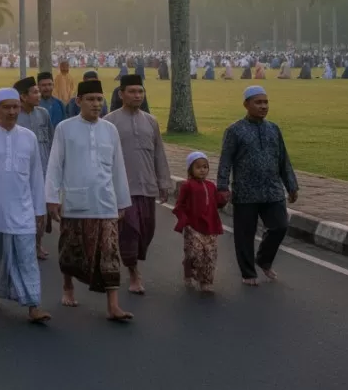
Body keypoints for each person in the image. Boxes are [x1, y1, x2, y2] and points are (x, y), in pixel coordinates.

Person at [45, 78, 134, 321]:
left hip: (105, 201)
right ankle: (68, 286)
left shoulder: (110, 130)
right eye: (91, 99)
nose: (96, 104)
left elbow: (118, 168)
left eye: (99, 100)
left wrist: (122, 201)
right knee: (70, 251)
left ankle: (113, 305)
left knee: (110, 252)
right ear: (79, 101)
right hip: (75, 201)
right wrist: (52, 198)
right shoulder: (65, 128)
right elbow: (55, 165)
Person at [0, 88, 50, 323]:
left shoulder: (29, 137)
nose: (12, 111)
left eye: (15, 107)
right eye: (6, 107)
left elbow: (36, 176)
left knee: (27, 258)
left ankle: (33, 306)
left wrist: (39, 211)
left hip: (23, 210)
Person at [217, 86, 299, 286]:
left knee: (280, 226)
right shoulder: (235, 131)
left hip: (272, 189)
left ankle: (263, 259)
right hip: (246, 191)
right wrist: (222, 186)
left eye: (266, 102)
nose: (263, 106)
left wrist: (291, 185)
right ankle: (248, 272)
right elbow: (225, 160)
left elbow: (283, 159)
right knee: (244, 234)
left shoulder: (273, 129)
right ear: (246, 104)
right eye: (258, 102)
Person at [105, 75, 171, 295]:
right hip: (122, 189)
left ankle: (130, 262)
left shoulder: (151, 121)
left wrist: (164, 182)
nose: (137, 96)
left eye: (140, 92)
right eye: (132, 92)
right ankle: (133, 272)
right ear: (121, 94)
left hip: (147, 187)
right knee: (130, 232)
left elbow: (159, 153)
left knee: (146, 231)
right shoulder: (109, 122)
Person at [173, 151, 226, 292]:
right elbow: (179, 206)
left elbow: (217, 203)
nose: (202, 170)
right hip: (193, 226)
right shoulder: (187, 186)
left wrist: (224, 197)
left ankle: (206, 282)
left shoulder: (211, 186)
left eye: (205, 167)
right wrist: (185, 221)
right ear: (191, 169)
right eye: (198, 167)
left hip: (210, 226)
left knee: (210, 255)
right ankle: (189, 270)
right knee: (194, 253)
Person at [14, 77, 53, 260]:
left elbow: (50, 139)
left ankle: (38, 244)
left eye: (38, 91)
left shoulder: (43, 113)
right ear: (23, 96)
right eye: (34, 92)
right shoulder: (14, 116)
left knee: (40, 210)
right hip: (21, 171)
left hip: (43, 169)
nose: (39, 95)